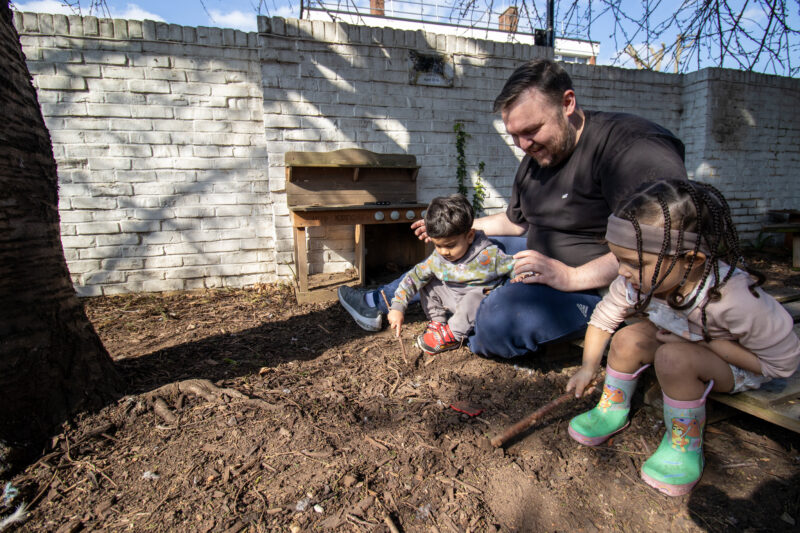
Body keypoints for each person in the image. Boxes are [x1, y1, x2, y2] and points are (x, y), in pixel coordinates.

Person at [338, 58, 688, 357]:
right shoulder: (536, 158)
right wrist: (457, 233)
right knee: (451, 254)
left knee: (498, 324)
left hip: (601, 281)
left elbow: (660, 243)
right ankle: (380, 303)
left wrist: (573, 276)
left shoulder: (631, 148)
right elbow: (515, 222)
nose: (523, 145)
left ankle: (492, 314)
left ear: (567, 103)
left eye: (532, 130)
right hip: (536, 256)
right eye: (514, 136)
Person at [566, 179, 800, 497]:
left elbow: (782, 365)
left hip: (736, 362)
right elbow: (604, 320)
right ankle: (612, 409)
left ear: (691, 260)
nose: (622, 272)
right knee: (625, 338)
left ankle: (683, 443)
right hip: (683, 335)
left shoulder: (733, 299)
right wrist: (588, 367)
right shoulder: (637, 281)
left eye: (634, 263)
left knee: (672, 358)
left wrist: (712, 345)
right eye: (617, 259)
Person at [384, 194, 517, 354]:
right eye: (438, 245)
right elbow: (413, 278)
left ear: (469, 236)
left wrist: (520, 275)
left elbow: (513, 265)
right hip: (454, 300)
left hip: (480, 309)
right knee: (427, 281)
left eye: (451, 245)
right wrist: (398, 307)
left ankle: (453, 335)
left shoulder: (488, 256)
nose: (444, 251)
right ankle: (439, 322)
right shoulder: (438, 259)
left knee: (475, 296)